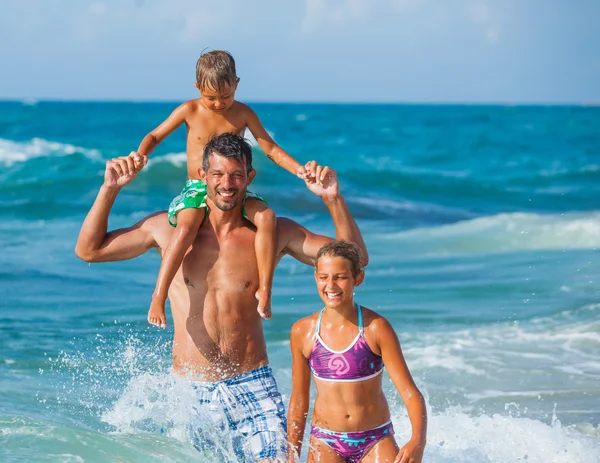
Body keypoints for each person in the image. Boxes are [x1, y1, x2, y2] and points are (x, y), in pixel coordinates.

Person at [75, 133, 368, 462]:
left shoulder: (271, 235)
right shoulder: (168, 231)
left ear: (249, 177)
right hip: (189, 391)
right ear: (202, 176)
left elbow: (355, 258)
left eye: (236, 175)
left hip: (253, 384)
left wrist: (332, 199)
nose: (226, 184)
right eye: (217, 174)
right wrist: (110, 189)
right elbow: (89, 250)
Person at [133, 50, 307, 328]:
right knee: (187, 228)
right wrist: (141, 155)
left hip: (232, 188)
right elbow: (155, 135)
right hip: (197, 188)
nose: (218, 104)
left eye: (225, 96)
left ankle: (265, 290)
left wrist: (300, 171)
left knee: (267, 217)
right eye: (210, 97)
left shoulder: (244, 113)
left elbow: (270, 148)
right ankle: (158, 295)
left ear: (236, 84)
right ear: (197, 88)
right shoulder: (189, 110)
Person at [287, 240, 427, 463]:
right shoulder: (302, 331)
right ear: (316, 277)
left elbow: (410, 392)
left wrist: (417, 441)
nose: (331, 285)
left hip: (375, 438)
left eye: (340, 277)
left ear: (357, 278)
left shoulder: (376, 328)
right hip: (325, 440)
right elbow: (299, 400)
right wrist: (290, 455)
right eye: (324, 277)